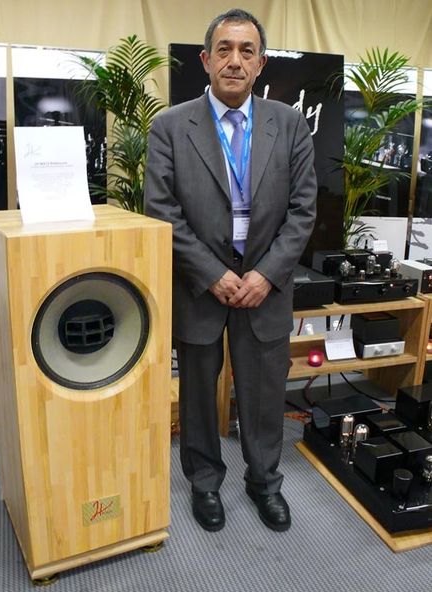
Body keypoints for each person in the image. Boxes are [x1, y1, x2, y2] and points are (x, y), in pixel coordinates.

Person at [144, 8, 317, 533]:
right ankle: (204, 483)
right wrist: (211, 272)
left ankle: (265, 483)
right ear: (205, 60)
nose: (235, 61)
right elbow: (161, 210)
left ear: (261, 63)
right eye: (224, 49)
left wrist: (266, 274)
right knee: (198, 393)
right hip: (200, 286)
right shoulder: (170, 127)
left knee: (264, 393)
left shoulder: (289, 124)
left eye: (246, 51)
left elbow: (303, 210)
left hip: (267, 286)